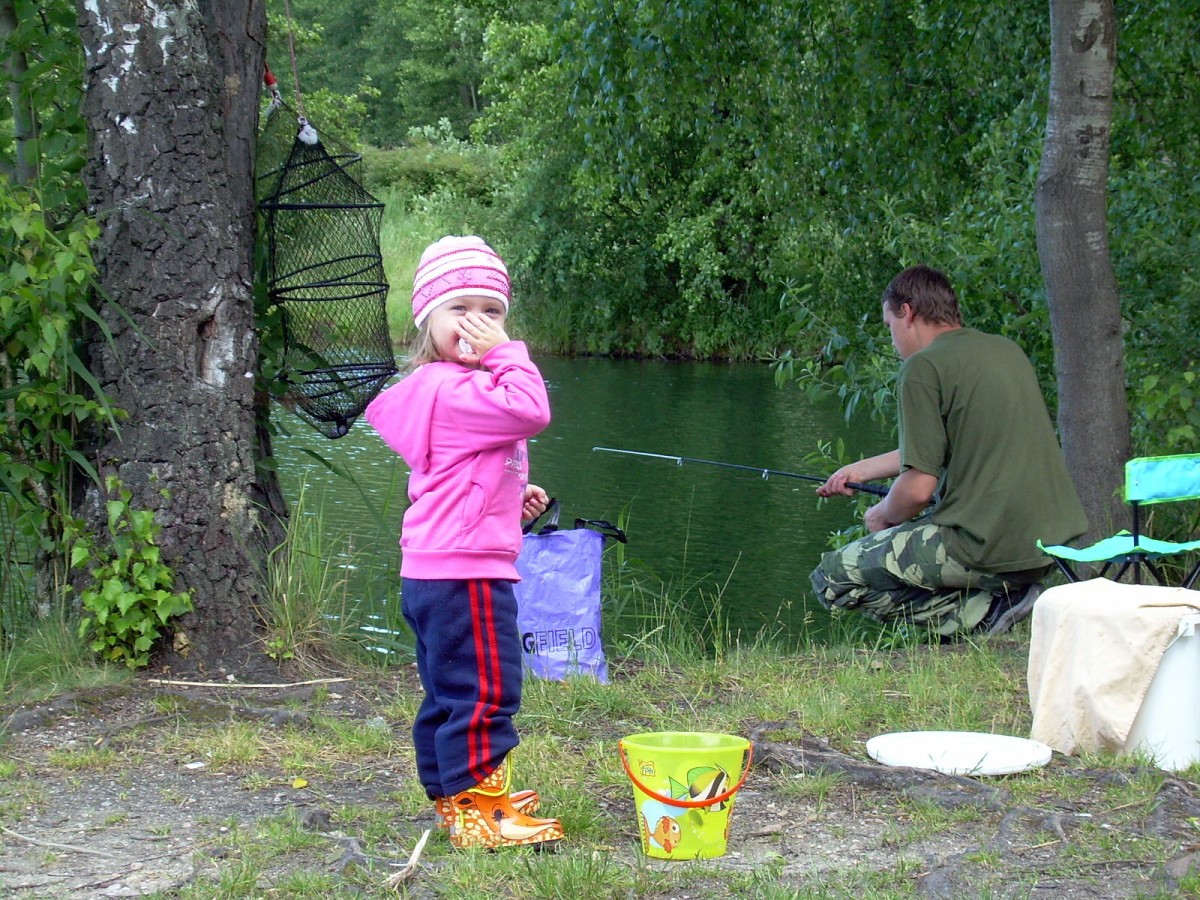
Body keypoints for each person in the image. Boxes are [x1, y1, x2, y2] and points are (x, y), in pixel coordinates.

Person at [365, 235, 563, 850]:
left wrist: (511, 495)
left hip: (436, 569)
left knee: (449, 691)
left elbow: (462, 471)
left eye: (492, 311)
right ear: (429, 320)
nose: (479, 323)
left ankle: (455, 798)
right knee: (485, 691)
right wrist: (508, 352)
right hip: (465, 574)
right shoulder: (459, 388)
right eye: (461, 309)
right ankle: (482, 812)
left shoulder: (441, 389)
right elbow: (530, 411)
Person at [810, 265, 1088, 639]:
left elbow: (917, 489)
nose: (892, 341)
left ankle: (985, 611)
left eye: (890, 326)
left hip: (986, 546)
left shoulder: (922, 367)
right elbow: (942, 444)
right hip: (1052, 543)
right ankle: (1004, 599)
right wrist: (860, 470)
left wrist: (882, 515)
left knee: (832, 578)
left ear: (907, 312)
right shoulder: (1005, 350)